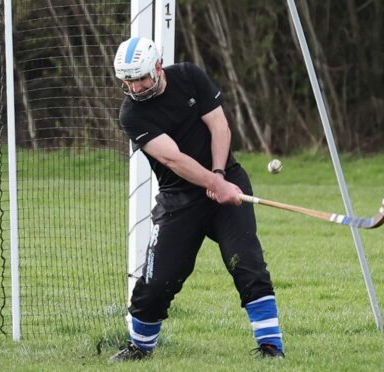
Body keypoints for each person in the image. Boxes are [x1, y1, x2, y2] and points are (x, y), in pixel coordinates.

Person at [109, 36, 285, 362]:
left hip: (226, 180)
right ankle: (140, 348)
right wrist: (212, 183)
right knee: (157, 282)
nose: (135, 88)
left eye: (141, 79)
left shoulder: (189, 75)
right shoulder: (132, 114)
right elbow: (174, 159)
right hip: (179, 198)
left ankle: (271, 347)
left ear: (158, 67)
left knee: (246, 262)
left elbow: (219, 125)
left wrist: (219, 176)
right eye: (128, 82)